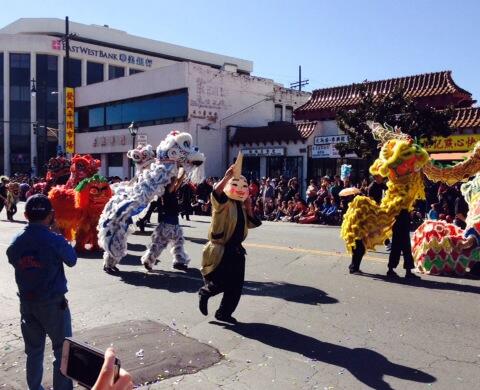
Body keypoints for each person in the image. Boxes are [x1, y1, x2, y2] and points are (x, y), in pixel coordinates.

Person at [7, 194, 77, 390]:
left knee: (34, 351)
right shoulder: (53, 239)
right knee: (62, 351)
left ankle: (35, 387)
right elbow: (72, 259)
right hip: (53, 303)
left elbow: (14, 260)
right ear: (50, 215)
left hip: (27, 304)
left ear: (26, 214)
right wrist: (57, 234)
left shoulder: (16, 241)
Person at [198, 154, 261, 324]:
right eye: (236, 184)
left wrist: (249, 207)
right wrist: (227, 177)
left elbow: (252, 224)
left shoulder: (241, 205)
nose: (240, 188)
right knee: (221, 281)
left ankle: (224, 313)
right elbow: (216, 192)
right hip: (221, 248)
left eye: (244, 185)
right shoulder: (223, 203)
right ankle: (205, 292)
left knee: (236, 285)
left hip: (237, 249)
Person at [141, 171, 191, 272]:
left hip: (173, 223)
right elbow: (174, 182)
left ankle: (179, 262)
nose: (173, 182)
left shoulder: (169, 191)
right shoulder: (166, 192)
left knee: (177, 243)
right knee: (159, 244)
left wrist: (185, 170)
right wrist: (175, 169)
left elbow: (178, 182)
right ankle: (149, 260)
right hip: (168, 223)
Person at [387, 209, 420, 279]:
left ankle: (391, 270)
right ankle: (407, 272)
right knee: (405, 251)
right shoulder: (403, 203)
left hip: (398, 227)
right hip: (402, 228)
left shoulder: (398, 203)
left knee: (396, 250)